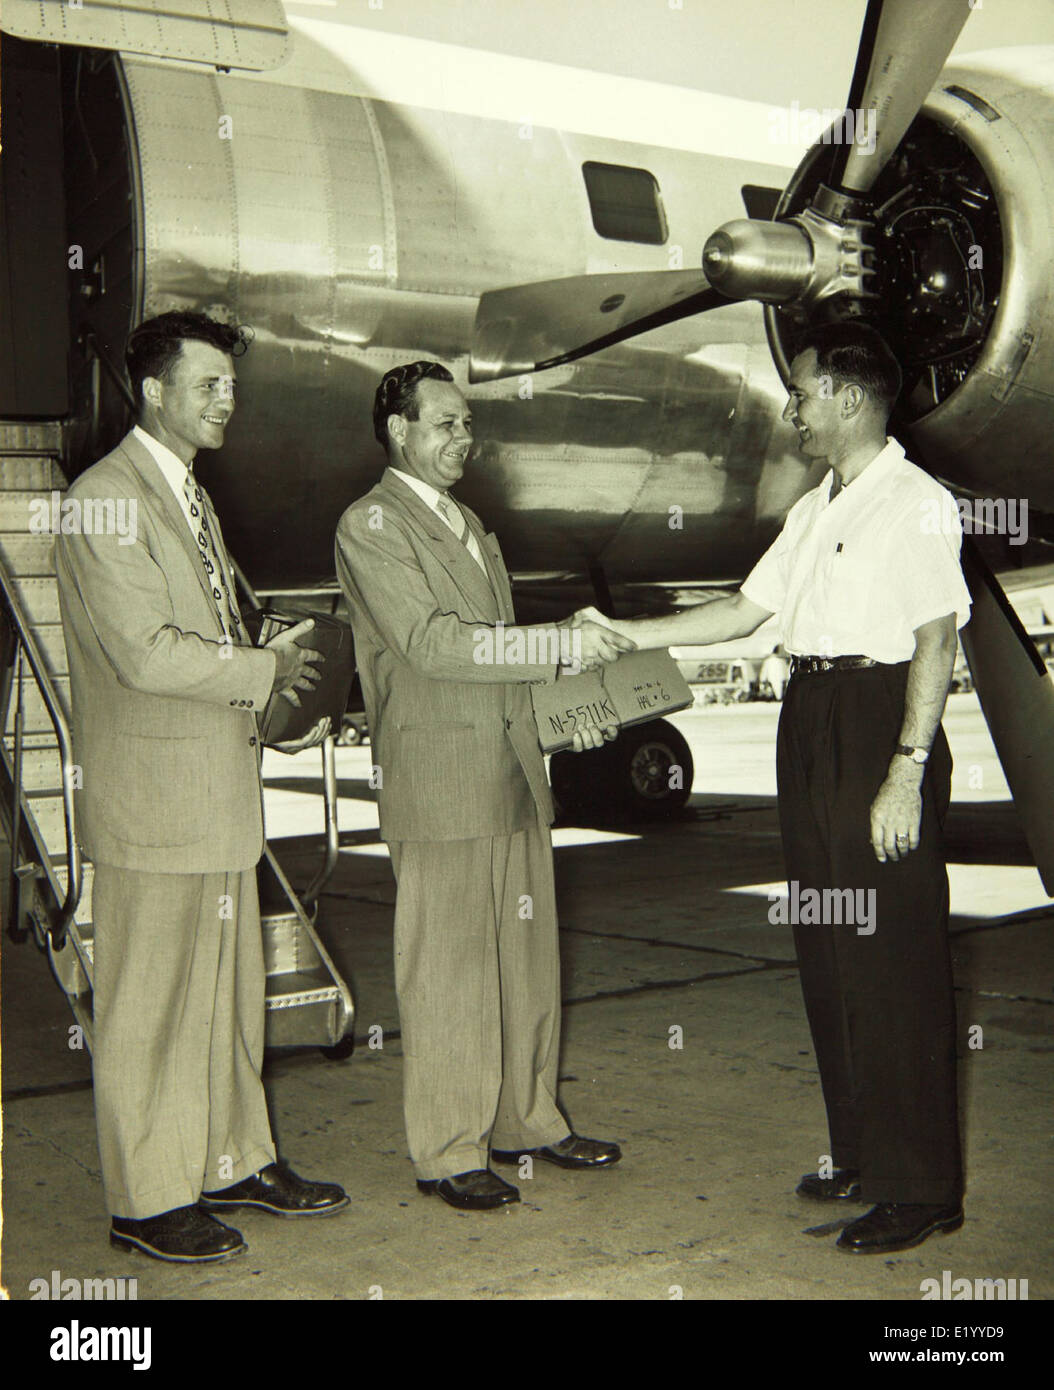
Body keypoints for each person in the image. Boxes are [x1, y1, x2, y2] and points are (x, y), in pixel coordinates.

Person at [576, 323, 971, 1255]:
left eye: (801, 394)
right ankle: (860, 1153)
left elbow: (935, 638)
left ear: (847, 399)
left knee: (893, 957)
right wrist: (627, 633)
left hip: (879, 722)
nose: (790, 410)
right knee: (831, 946)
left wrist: (906, 770)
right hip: (813, 714)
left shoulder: (914, 502)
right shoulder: (817, 507)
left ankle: (923, 1188)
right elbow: (750, 615)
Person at [55, 311, 348, 1264]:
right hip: (154, 800)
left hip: (216, 795)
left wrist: (279, 668)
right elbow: (145, 652)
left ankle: (232, 1160)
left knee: (229, 996)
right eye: (209, 384)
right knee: (149, 1007)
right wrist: (261, 671)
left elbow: (216, 625)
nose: (229, 400)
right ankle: (145, 1201)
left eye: (231, 384)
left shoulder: (190, 495)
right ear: (151, 390)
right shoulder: (105, 498)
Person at [335, 361, 632, 1211]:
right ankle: (449, 1150)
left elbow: (495, 662)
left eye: (467, 424)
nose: (464, 439)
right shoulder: (373, 524)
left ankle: (529, 1121)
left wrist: (563, 717)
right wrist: (559, 644)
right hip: (440, 777)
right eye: (445, 424)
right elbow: (434, 645)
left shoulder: (469, 523)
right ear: (399, 430)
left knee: (526, 963)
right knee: (450, 973)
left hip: (512, 767)